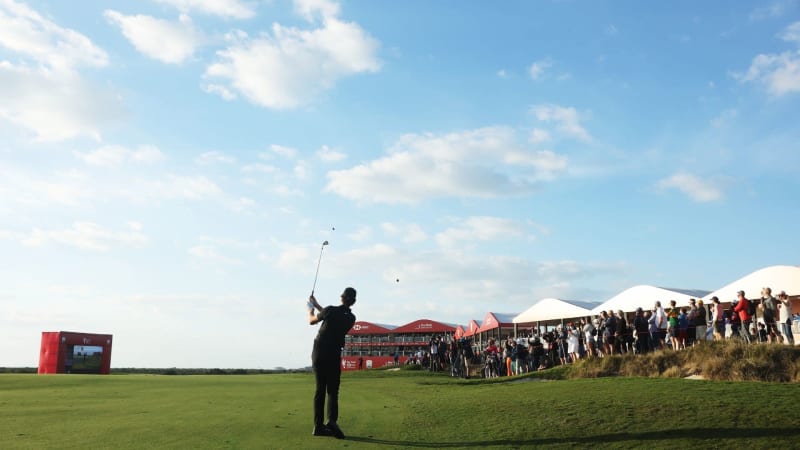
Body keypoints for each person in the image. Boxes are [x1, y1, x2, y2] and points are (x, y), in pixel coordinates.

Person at [307, 287, 357, 439]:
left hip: (320, 352)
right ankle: (332, 421)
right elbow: (330, 315)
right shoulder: (351, 318)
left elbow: (312, 321)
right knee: (333, 390)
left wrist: (310, 309)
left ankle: (318, 426)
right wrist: (316, 305)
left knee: (320, 389)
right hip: (334, 353)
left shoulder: (330, 311)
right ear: (353, 302)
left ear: (341, 297)